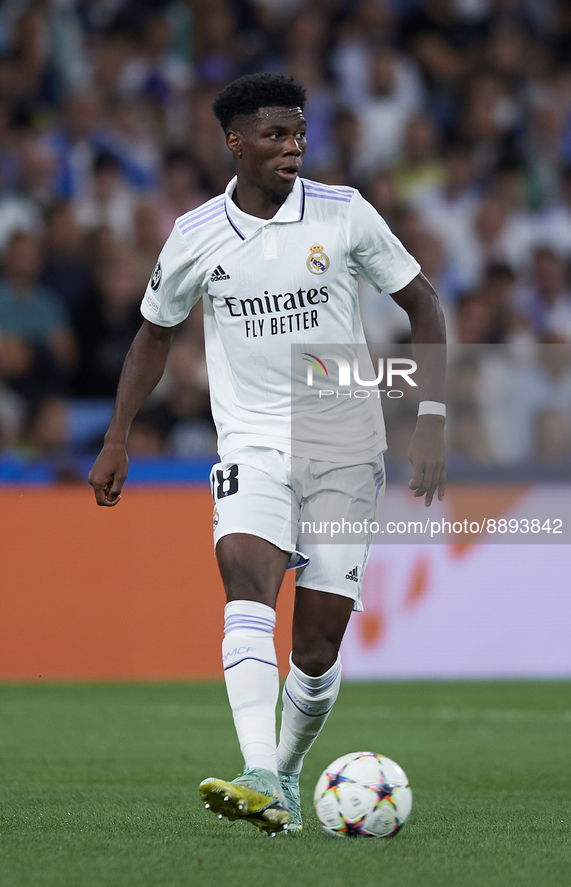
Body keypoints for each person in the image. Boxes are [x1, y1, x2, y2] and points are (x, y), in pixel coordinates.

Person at [88, 73, 446, 836]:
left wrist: (431, 415)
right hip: (249, 439)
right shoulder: (194, 234)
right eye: (276, 135)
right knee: (245, 580)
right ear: (236, 143)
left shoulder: (345, 214)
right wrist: (119, 431)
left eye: (299, 134)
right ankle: (257, 771)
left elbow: (424, 302)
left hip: (344, 444)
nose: (293, 147)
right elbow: (155, 331)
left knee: (314, 650)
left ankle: (281, 774)